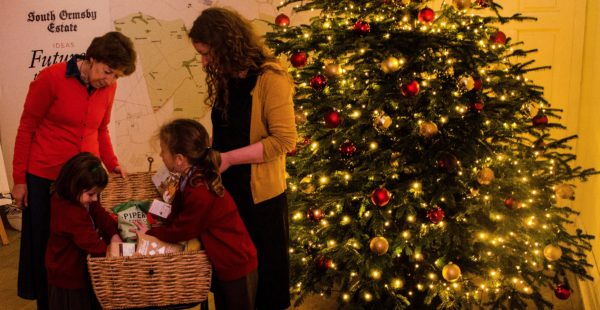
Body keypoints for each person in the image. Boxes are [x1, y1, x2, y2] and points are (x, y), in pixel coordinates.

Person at [12, 31, 136, 309]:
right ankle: (50, 302)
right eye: (107, 71)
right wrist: (19, 179)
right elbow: (26, 128)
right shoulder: (50, 78)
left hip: (85, 179)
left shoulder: (109, 87)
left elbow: (100, 128)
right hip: (46, 178)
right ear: (91, 59)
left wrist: (112, 161)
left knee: (86, 241)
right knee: (48, 248)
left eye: (117, 75)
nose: (111, 80)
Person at [188, 7, 297, 309]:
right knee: (232, 282)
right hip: (228, 193)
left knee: (265, 286)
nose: (204, 62)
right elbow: (228, 129)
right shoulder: (227, 76)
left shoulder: (271, 78)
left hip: (260, 199)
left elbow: (284, 141)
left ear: (227, 45)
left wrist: (230, 159)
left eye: (208, 54)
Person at [133, 118, 258, 310]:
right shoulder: (190, 178)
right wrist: (154, 221)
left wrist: (149, 235)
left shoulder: (199, 190)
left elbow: (182, 230)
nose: (160, 154)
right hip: (225, 262)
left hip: (236, 264)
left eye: (163, 151)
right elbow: (178, 211)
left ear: (179, 159)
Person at [45, 152, 121, 310]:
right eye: (91, 194)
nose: (94, 199)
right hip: (68, 278)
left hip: (75, 271)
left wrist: (114, 234)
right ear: (73, 185)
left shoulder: (78, 196)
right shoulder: (70, 213)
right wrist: (114, 254)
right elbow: (92, 244)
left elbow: (99, 212)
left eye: (97, 194)